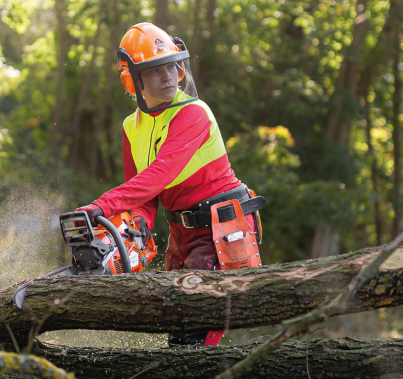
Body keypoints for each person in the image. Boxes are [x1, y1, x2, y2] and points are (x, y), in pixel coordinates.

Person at [74, 22, 265, 346]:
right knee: (176, 326)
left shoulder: (193, 113)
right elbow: (145, 197)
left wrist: (100, 207)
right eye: (154, 70)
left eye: (171, 66)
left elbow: (159, 175)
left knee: (196, 332)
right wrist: (135, 225)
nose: (167, 76)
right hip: (181, 232)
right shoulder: (131, 127)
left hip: (220, 227)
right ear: (134, 80)